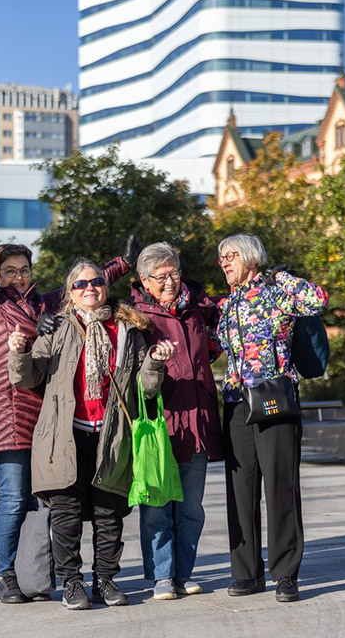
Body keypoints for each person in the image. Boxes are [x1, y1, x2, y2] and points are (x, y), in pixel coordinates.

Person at [0, 199, 138, 604]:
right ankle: (7, 574)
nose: (18, 277)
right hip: (8, 414)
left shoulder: (45, 304)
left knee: (49, 503)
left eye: (24, 270)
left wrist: (122, 264)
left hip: (48, 420)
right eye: (9, 270)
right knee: (14, 497)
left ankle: (35, 574)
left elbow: (85, 286)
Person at [8, 261, 175, 610]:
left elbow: (145, 387)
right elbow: (28, 377)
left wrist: (155, 362)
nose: (90, 288)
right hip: (63, 436)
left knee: (108, 513)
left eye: (96, 281)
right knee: (65, 514)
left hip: (111, 436)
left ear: (105, 288)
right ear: (70, 293)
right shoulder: (57, 328)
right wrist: (19, 352)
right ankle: (71, 583)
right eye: (80, 284)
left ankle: (105, 580)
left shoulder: (127, 330)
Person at [215, 234, 328, 603]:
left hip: (275, 398)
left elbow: (317, 300)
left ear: (251, 257)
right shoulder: (226, 304)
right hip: (236, 403)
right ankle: (246, 572)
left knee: (280, 487)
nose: (224, 262)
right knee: (240, 491)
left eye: (231, 255)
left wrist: (281, 277)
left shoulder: (277, 292)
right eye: (221, 258)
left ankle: (285, 574)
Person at [129, 242, 222, 600]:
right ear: (144, 281)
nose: (170, 282)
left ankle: (184, 573)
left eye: (174, 273)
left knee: (191, 508)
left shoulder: (198, 310)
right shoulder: (136, 317)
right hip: (159, 424)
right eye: (161, 276)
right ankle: (162, 576)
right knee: (156, 508)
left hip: (197, 422)